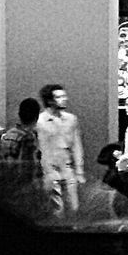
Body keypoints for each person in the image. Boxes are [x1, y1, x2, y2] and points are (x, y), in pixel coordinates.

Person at [37, 83, 86, 215]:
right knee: (56, 210)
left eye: (64, 96)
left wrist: (79, 171)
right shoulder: (40, 122)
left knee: (74, 207)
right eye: (59, 97)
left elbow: (77, 146)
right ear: (50, 100)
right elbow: (40, 149)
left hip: (67, 169)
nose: (64, 99)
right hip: (50, 170)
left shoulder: (71, 119)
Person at [0, 97, 42, 177]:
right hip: (21, 184)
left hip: (6, 180)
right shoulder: (28, 137)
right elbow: (27, 168)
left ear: (19, 114)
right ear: (36, 117)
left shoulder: (7, 134)